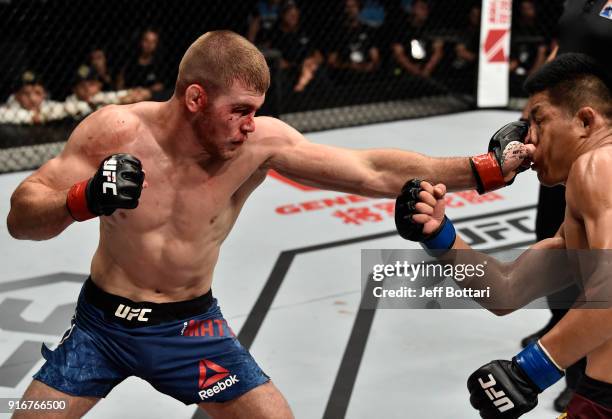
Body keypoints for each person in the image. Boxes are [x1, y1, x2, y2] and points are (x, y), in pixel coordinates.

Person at [7, 30, 527, 418]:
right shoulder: (115, 131)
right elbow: (21, 217)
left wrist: (482, 169)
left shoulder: (258, 143)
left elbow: (372, 170)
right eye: (239, 111)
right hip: (101, 327)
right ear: (194, 99)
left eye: (256, 111)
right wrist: (83, 198)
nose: (250, 124)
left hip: (191, 328)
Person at [395, 53, 612, 418]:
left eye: (538, 120)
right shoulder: (584, 207)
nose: (527, 143)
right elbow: (507, 289)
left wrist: (531, 370)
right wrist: (441, 237)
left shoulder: (599, 164)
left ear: (585, 121)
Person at [521, 0, 612, 410]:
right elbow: (564, 51)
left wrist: (535, 368)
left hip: (596, 131)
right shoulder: (579, 0)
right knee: (561, 240)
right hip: (573, 126)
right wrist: (536, 115)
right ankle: (562, 327)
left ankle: (576, 366)